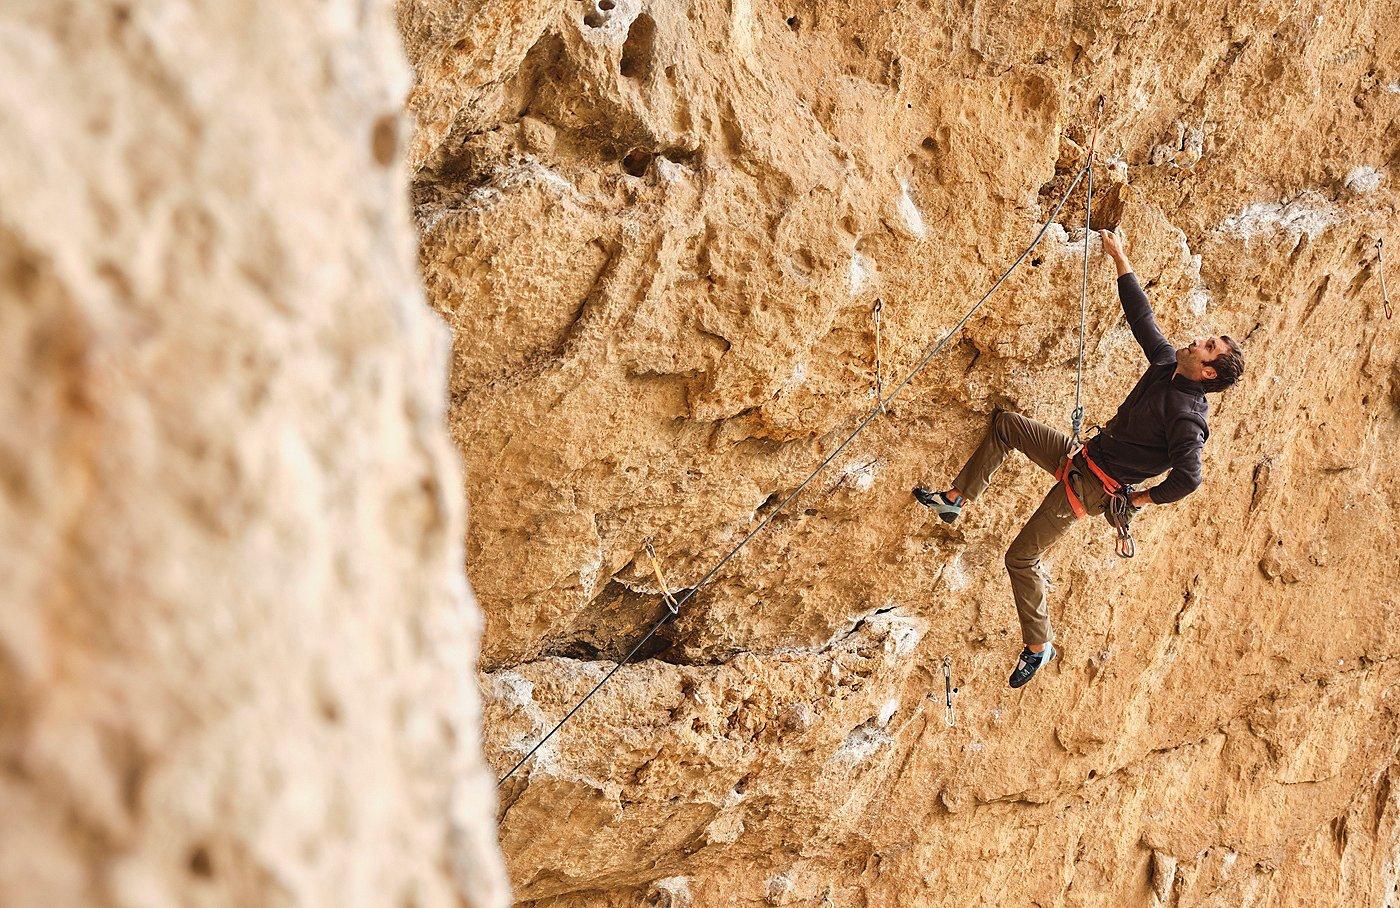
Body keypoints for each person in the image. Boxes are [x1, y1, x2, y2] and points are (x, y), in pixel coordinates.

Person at [913, 228, 1244, 688]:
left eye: (1209, 347)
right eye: (1208, 339)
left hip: (1091, 488)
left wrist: (1141, 501)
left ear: (1208, 372)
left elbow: (1189, 478)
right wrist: (1120, 257)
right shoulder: (1168, 366)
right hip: (1083, 456)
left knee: (1020, 558)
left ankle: (1038, 645)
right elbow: (1141, 318)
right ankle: (955, 497)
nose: (1199, 340)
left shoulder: (1188, 418)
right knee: (1007, 425)